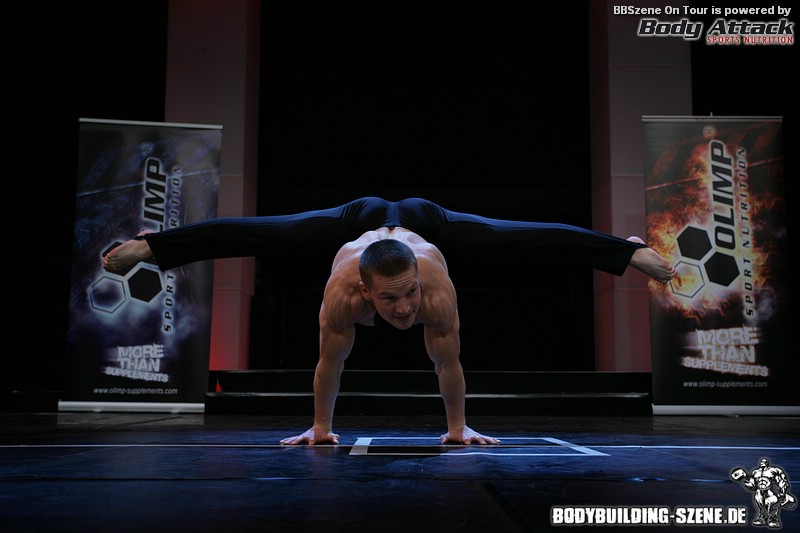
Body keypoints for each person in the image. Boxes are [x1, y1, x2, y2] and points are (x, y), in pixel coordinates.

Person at [103, 197, 676, 445]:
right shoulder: (342, 296)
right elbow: (330, 364)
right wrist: (321, 428)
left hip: (428, 221)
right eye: (390, 301)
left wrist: (458, 429)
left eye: (409, 297)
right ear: (364, 292)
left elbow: (447, 362)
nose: (404, 310)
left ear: (420, 284)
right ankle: (153, 245)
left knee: (512, 237)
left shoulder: (435, 294)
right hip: (356, 219)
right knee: (271, 231)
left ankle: (624, 251)